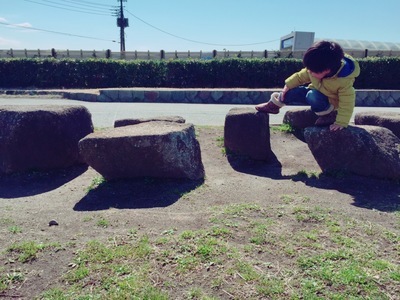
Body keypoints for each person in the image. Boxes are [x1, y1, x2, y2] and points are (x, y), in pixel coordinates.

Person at [256, 40, 360, 131]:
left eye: (312, 71)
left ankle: (328, 115)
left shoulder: (344, 81)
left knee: (312, 95)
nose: (309, 72)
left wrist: (341, 122)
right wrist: (287, 86)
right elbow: (300, 76)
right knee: (293, 91)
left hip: (328, 104)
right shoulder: (315, 68)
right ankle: (274, 106)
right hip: (313, 93)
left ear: (327, 70)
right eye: (308, 69)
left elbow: (347, 104)